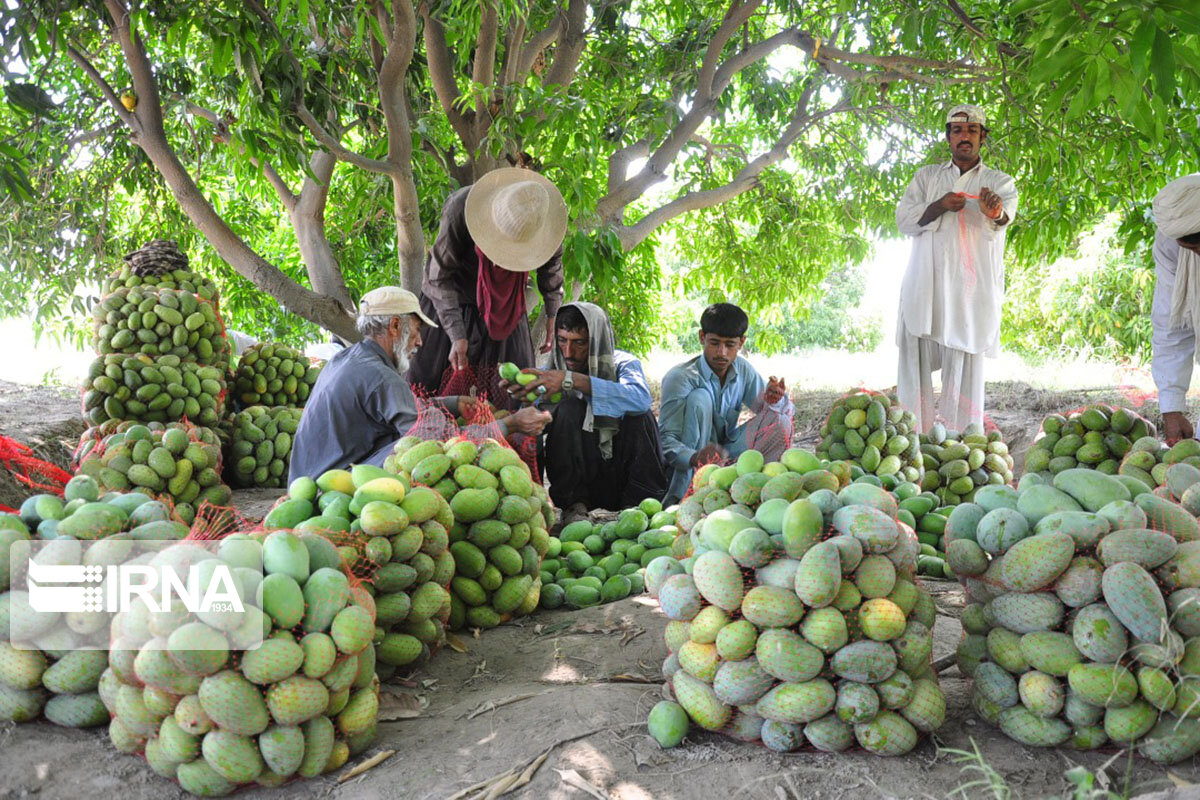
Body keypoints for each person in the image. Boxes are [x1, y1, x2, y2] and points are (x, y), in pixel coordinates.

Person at [290, 286, 550, 482]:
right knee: (426, 453)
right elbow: (445, 443)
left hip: (310, 482)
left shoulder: (349, 358)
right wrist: (511, 424)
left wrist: (453, 402)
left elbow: (400, 406)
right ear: (394, 326)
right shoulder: (380, 377)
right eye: (415, 331)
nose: (420, 342)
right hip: (329, 492)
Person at [895, 104, 1018, 433]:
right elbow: (904, 220)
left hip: (969, 294)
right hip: (925, 290)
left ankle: (961, 451)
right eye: (958, 131)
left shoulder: (999, 182)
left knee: (965, 374)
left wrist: (994, 213)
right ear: (948, 137)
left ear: (983, 138)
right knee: (913, 366)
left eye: (972, 131)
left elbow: (1005, 219)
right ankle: (913, 443)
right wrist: (937, 205)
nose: (965, 137)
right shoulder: (927, 177)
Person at [407, 167, 567, 404]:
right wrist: (457, 334)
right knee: (431, 396)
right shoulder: (460, 208)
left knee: (512, 396)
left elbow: (551, 266)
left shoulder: (543, 220)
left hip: (506, 310)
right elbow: (437, 277)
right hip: (451, 304)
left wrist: (553, 314)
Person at [504, 303, 668, 517]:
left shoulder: (623, 363)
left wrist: (573, 381)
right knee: (568, 408)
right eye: (562, 341)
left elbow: (640, 399)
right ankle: (574, 507)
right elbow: (530, 421)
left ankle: (638, 509)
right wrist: (526, 399)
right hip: (584, 481)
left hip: (624, 475)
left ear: (596, 340)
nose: (569, 352)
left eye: (579, 343)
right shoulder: (551, 372)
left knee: (640, 416)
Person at [658, 303, 793, 504]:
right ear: (702, 337)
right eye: (714, 343)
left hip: (726, 455)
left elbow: (775, 413)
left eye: (730, 345)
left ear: (741, 343)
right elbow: (665, 440)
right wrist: (695, 457)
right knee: (700, 397)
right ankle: (686, 497)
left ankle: (754, 493)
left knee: (779, 421)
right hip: (691, 464)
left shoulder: (742, 370)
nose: (721, 353)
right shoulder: (680, 378)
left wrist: (775, 400)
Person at [1150, 173, 1200, 445]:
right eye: (1188, 247)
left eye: (1197, 246)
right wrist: (1171, 408)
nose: (1194, 254)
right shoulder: (1171, 244)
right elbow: (1172, 324)